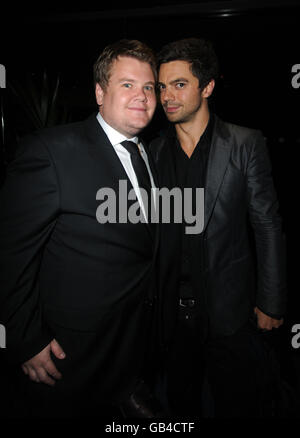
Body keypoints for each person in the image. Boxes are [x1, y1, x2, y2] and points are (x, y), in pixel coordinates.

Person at [0, 39, 162, 418]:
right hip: (70, 356)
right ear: (99, 92)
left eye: (148, 87)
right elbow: (8, 251)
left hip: (131, 348)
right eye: (127, 84)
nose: (141, 96)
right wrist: (25, 339)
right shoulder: (52, 151)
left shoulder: (147, 153)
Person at [150, 38, 286, 418]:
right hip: (172, 317)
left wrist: (271, 300)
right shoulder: (152, 153)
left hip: (230, 309)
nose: (167, 96)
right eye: (162, 87)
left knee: (238, 403)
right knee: (180, 404)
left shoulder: (244, 143)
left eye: (179, 84)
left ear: (207, 87)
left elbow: (266, 223)